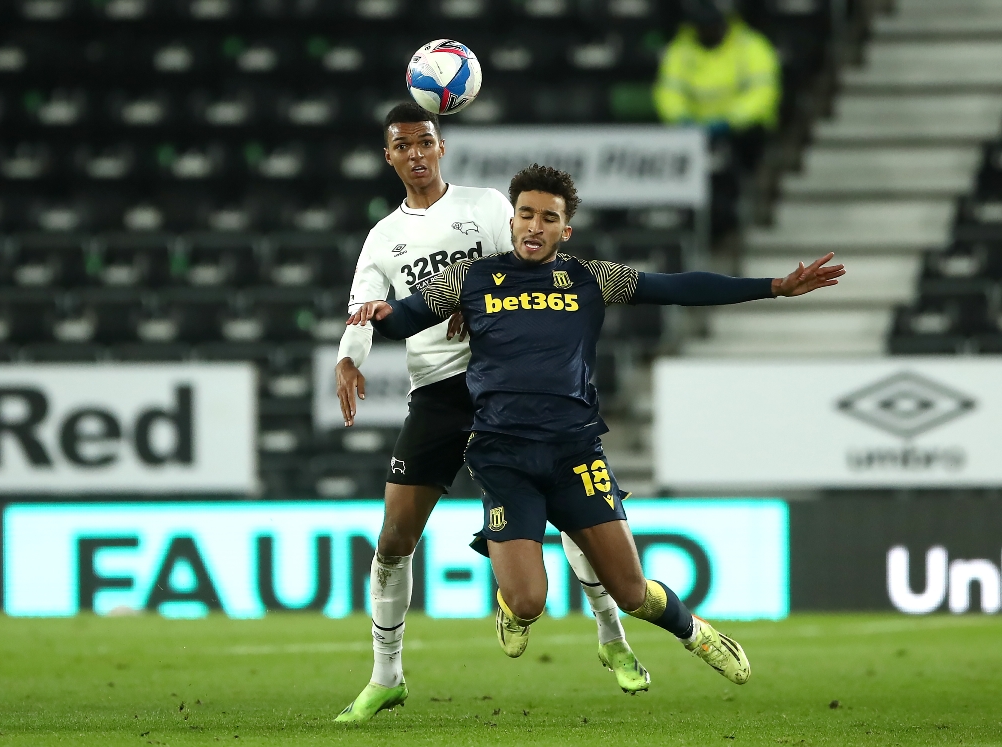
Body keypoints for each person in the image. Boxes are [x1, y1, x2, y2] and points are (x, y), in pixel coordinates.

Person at [349, 164, 844, 689]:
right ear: (510, 220)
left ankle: (695, 633)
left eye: (548, 218)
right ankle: (510, 602)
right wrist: (381, 316)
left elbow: (678, 287)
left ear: (566, 230)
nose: (534, 227)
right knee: (527, 601)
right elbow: (408, 319)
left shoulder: (593, 278)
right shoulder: (471, 279)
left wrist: (772, 287)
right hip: (503, 456)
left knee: (632, 594)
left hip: (575, 455)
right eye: (525, 215)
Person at [333, 105, 649, 723]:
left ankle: (614, 640)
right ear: (390, 157)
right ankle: (386, 674)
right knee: (396, 535)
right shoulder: (381, 238)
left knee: (577, 519)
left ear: (441, 146)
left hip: (508, 385)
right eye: (404, 145)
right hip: (438, 391)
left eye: (426, 140)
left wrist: (480, 304)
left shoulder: (486, 209)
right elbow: (367, 313)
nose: (417, 153)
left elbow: (538, 265)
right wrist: (350, 358)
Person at [655, 0, 781, 235]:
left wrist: (730, 121)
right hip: (692, 133)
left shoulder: (751, 46)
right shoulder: (680, 50)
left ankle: (737, 211)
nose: (707, 31)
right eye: (702, 26)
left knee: (736, 158)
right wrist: (681, 119)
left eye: (712, 25)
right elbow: (668, 92)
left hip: (740, 132)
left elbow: (763, 93)